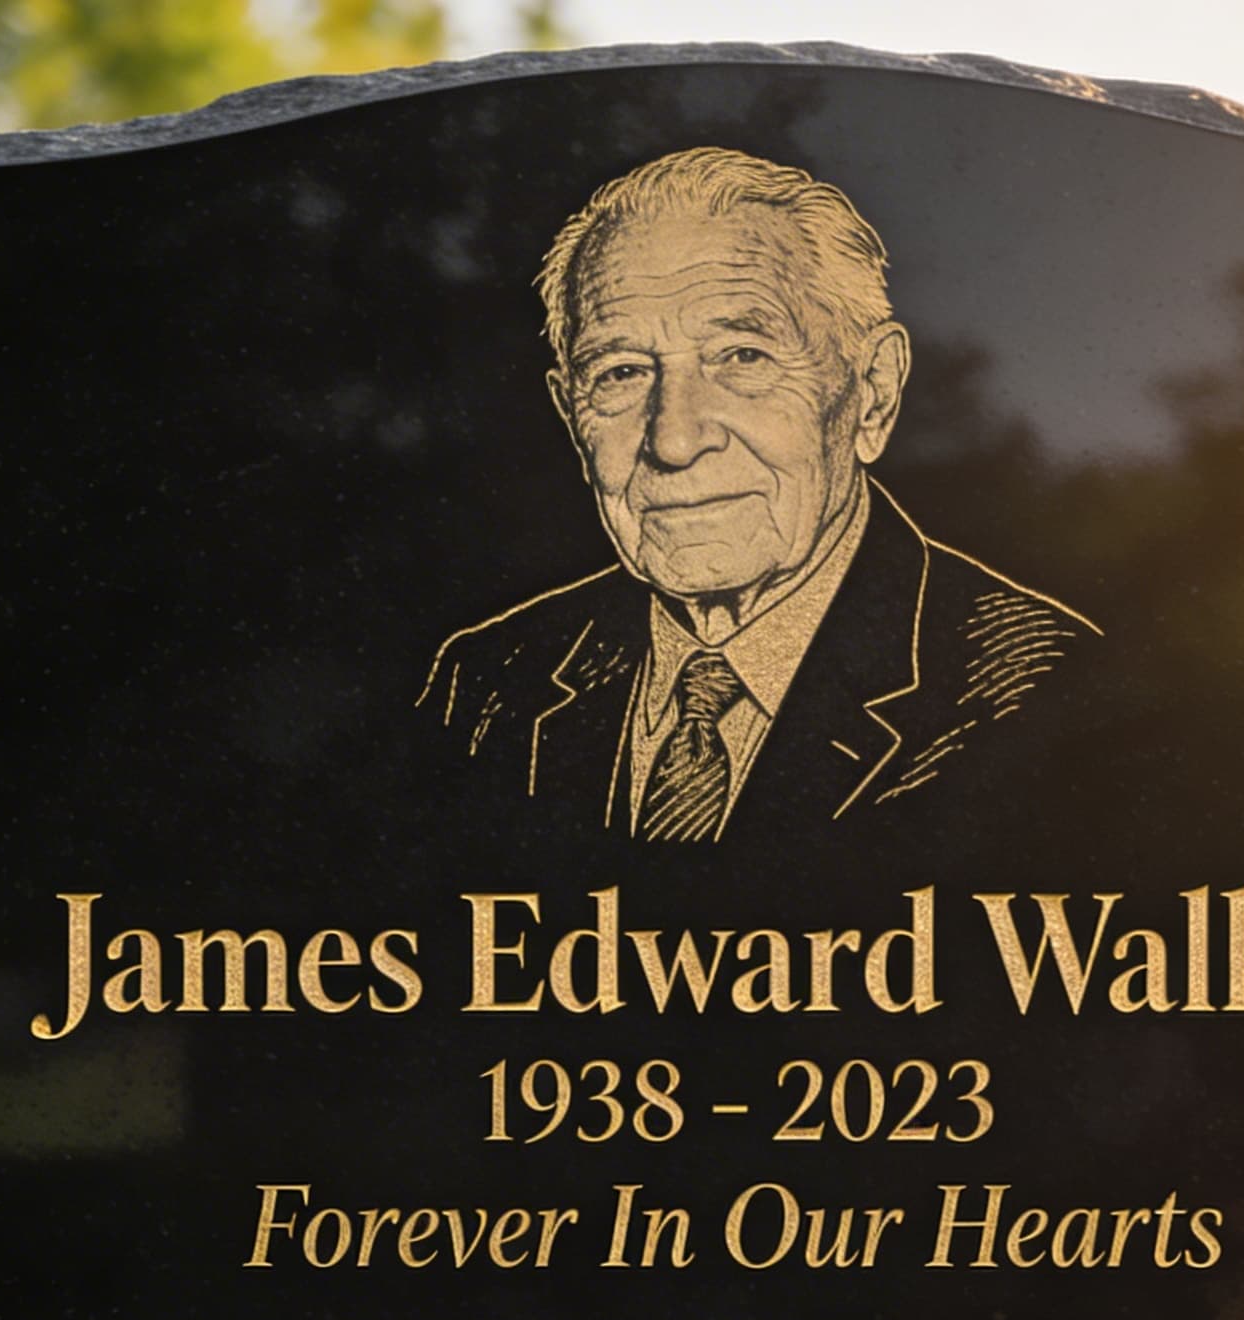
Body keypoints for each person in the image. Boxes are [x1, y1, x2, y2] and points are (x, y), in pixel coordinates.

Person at [420, 146, 1095, 843]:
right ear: (570, 415)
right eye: (620, 373)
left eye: (743, 357)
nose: (674, 440)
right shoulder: (488, 681)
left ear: (873, 393)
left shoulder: (1044, 690)